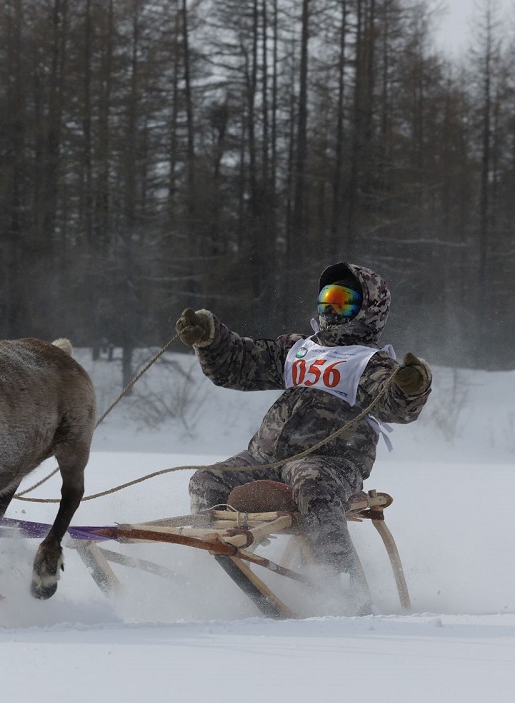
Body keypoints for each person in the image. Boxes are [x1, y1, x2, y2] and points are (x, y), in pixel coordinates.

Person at [175, 262, 432, 612]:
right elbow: (240, 364)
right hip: (266, 460)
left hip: (330, 464)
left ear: (368, 309)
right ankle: (217, 572)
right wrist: (209, 337)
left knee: (312, 483)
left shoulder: (369, 363)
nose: (332, 309)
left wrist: (410, 386)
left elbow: (394, 405)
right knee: (206, 481)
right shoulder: (299, 349)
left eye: (343, 301)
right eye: (327, 300)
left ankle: (341, 589)